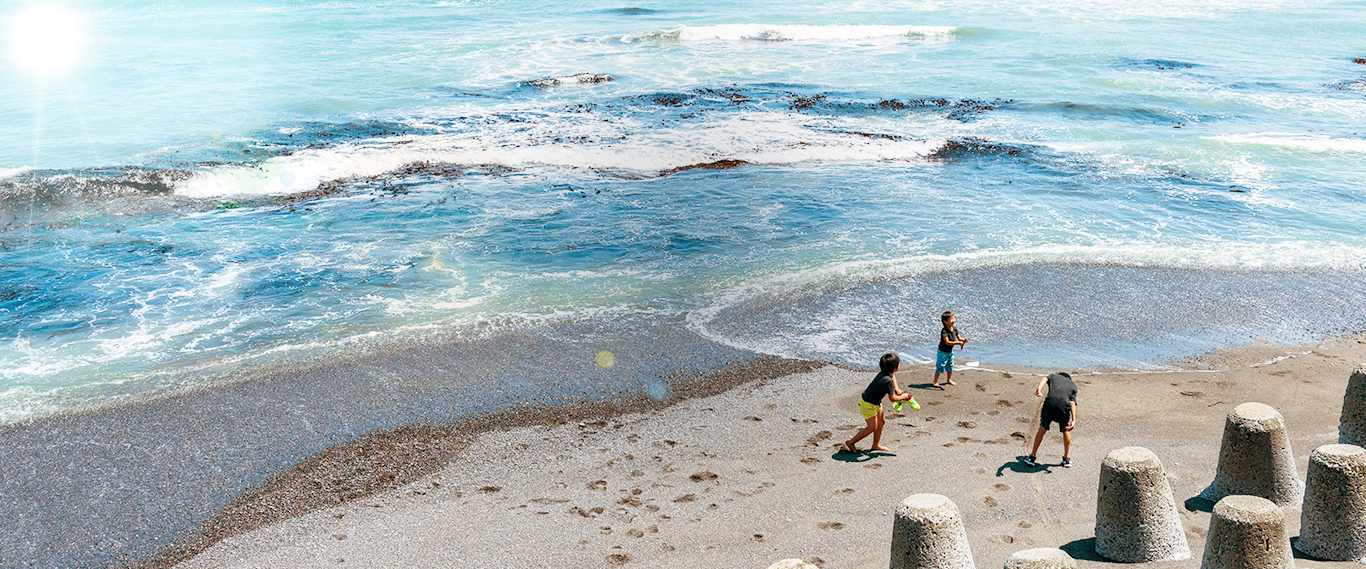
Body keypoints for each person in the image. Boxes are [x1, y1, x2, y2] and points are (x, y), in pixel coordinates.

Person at [843, 353, 917, 453]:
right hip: (867, 404)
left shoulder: (885, 373)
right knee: (871, 427)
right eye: (899, 364)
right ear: (895, 367)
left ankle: (875, 445)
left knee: (882, 421)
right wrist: (904, 397)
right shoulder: (887, 381)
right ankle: (851, 442)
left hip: (875, 402)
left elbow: (893, 376)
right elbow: (892, 398)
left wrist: (897, 388)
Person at [1024, 372, 1077, 468]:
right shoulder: (1073, 385)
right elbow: (1072, 403)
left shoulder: (1054, 376)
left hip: (1050, 403)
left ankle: (1032, 457)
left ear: (1060, 375)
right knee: (1066, 430)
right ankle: (1066, 459)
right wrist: (1074, 420)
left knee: (1042, 428)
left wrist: (1039, 389)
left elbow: (1045, 378)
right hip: (1064, 405)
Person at [933, 311, 969, 388]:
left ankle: (948, 379)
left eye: (953, 318)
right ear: (945, 322)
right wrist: (958, 343)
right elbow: (947, 342)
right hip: (942, 352)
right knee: (940, 366)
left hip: (950, 352)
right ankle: (935, 381)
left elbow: (960, 338)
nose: (953, 320)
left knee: (950, 365)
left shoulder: (955, 329)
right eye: (951, 319)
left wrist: (964, 340)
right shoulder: (944, 331)